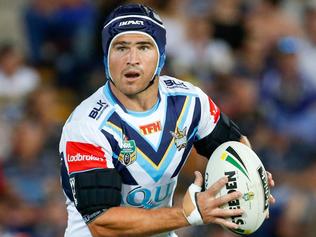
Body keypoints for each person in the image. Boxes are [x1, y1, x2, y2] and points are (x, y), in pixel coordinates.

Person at [59, 4, 275, 237]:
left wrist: (251, 180)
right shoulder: (87, 126)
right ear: (106, 57)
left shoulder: (189, 102)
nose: (132, 59)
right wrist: (188, 213)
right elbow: (102, 223)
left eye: (144, 47)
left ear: (161, 56)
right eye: (121, 48)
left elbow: (234, 145)